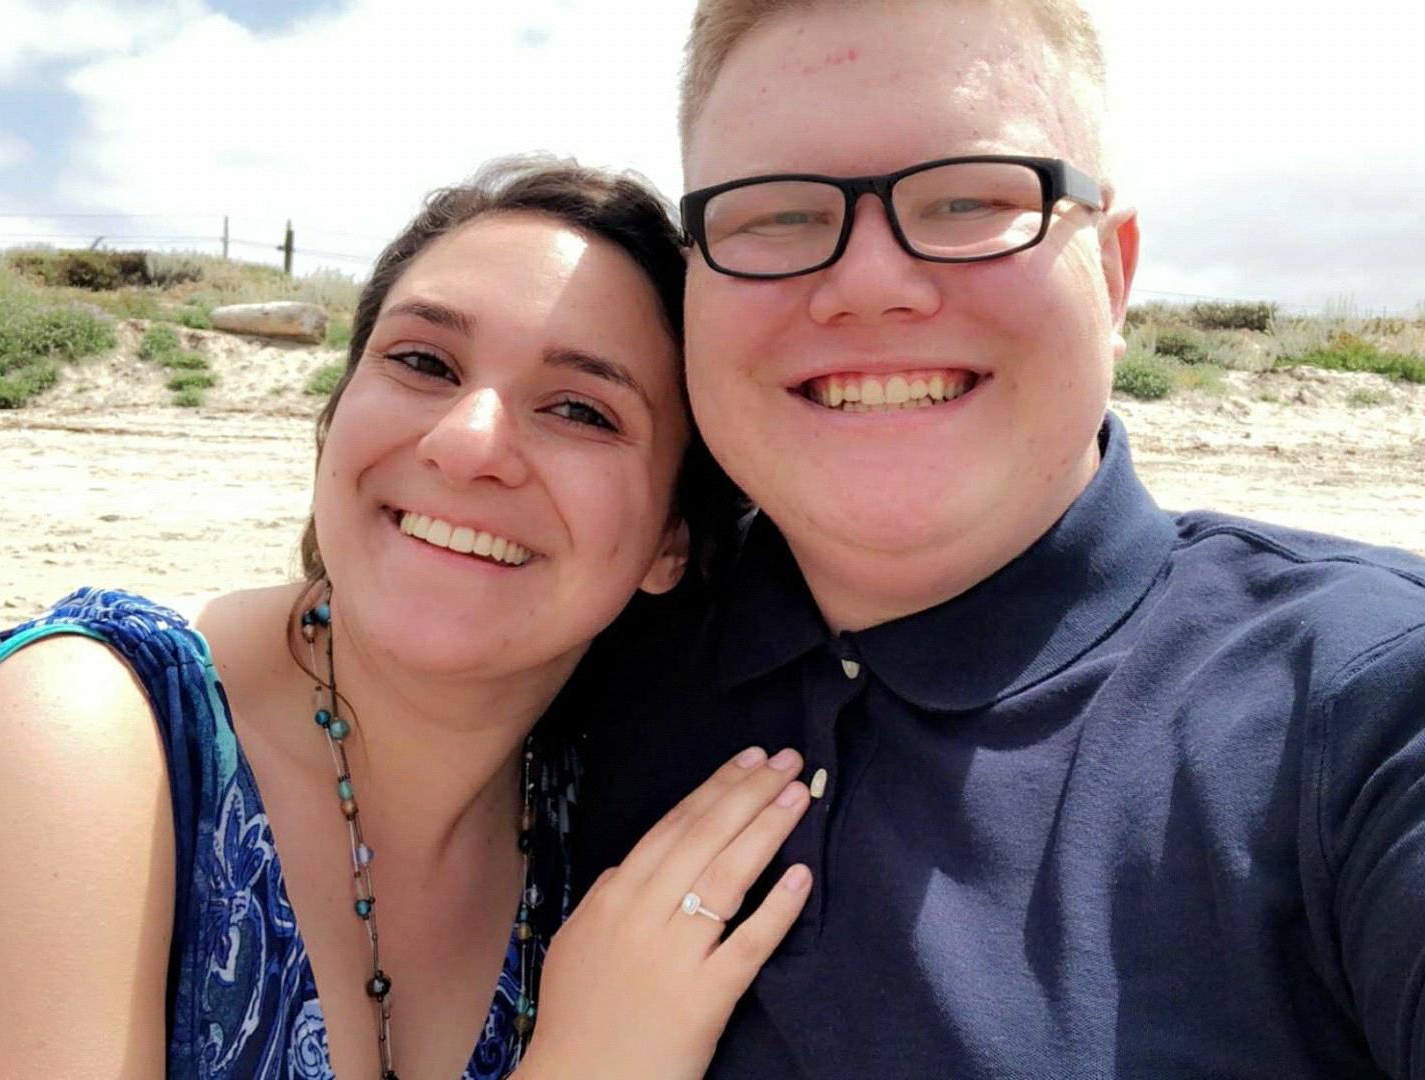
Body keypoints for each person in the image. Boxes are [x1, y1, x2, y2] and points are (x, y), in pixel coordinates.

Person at [571, 2, 1425, 1077]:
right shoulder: (584, 637)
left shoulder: (1366, 699)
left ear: (1113, 276)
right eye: (775, 216)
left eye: (971, 199)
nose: (871, 285)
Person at [0, 159, 817, 1079]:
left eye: (580, 410)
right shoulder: (78, 744)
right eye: (425, 361)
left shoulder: (596, 822)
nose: (467, 443)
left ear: (670, 542)